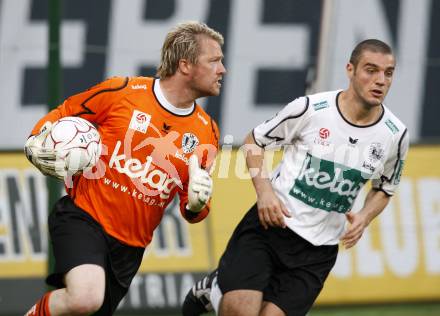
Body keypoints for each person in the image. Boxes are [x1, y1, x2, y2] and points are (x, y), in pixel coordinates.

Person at [182, 39, 409, 316]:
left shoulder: (395, 134)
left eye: (388, 73)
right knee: (241, 311)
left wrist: (365, 216)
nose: (380, 80)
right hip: (271, 229)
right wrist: (265, 193)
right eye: (370, 70)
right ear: (350, 70)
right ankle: (216, 289)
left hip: (318, 251)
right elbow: (253, 141)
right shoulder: (311, 109)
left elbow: (385, 187)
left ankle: (217, 288)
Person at [24, 21, 226, 315]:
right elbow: (65, 111)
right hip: (83, 218)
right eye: (215, 61)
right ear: (185, 65)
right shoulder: (123, 91)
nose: (222, 70)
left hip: (130, 250)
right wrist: (37, 139)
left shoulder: (208, 133)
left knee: (86, 307)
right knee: (85, 298)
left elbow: (192, 208)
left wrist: (197, 204)